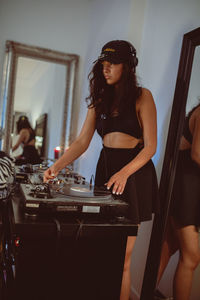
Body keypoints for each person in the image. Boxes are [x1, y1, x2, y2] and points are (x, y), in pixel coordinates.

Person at [44, 40, 159, 300]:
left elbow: (151, 147)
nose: (105, 70)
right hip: (106, 170)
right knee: (100, 250)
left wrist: (125, 173)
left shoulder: (143, 96)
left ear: (127, 67)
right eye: (103, 65)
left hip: (133, 174)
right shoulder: (100, 100)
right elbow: (82, 141)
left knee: (123, 258)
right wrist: (57, 167)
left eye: (112, 65)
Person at [157, 102, 200, 300]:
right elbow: (197, 154)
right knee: (191, 257)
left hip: (188, 185)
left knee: (167, 247)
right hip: (186, 186)